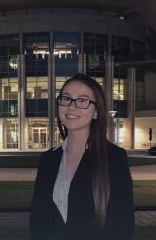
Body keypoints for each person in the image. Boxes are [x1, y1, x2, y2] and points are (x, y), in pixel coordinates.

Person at [29, 73, 134, 240]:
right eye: (67, 98)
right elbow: (37, 219)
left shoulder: (114, 158)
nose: (71, 106)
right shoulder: (48, 159)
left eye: (83, 100)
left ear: (96, 112)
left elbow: (122, 226)